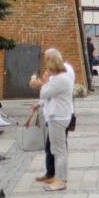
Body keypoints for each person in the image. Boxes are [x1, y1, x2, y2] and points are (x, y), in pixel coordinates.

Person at [31, 49, 75, 188]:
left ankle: (60, 180)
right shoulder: (59, 79)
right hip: (58, 115)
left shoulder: (59, 79)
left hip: (58, 117)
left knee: (58, 150)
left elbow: (44, 93)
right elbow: (50, 97)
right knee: (56, 149)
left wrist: (42, 82)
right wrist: (39, 104)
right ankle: (57, 177)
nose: (47, 72)